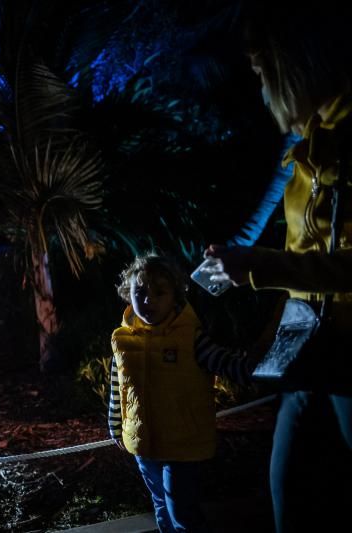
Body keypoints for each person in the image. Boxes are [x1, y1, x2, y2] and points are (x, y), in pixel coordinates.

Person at [204, 4, 352, 531]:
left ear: (291, 64)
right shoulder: (306, 131)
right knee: (288, 487)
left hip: (349, 348)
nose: (260, 87)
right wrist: (236, 253)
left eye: (262, 71)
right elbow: (277, 200)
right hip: (310, 345)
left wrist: (262, 265)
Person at [108, 253, 257, 533]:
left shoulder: (191, 336)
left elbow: (224, 362)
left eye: (159, 292)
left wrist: (254, 365)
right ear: (128, 293)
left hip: (183, 443)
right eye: (139, 291)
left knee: (181, 510)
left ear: (175, 296)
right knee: (161, 505)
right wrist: (116, 424)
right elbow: (118, 386)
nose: (148, 300)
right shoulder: (122, 339)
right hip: (143, 442)